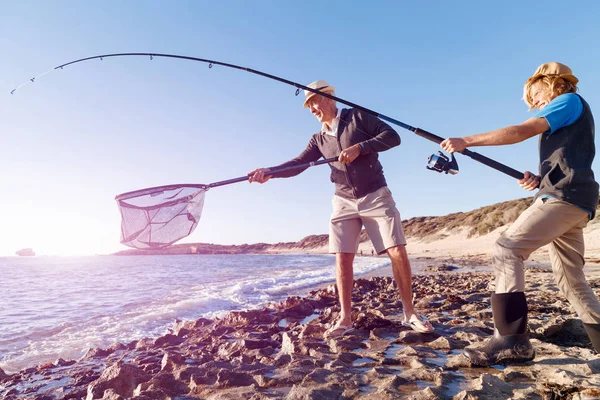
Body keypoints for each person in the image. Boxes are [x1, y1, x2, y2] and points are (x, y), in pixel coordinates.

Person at [441, 62, 600, 366]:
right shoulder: (571, 112)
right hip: (576, 198)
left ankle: (512, 340)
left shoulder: (568, 100)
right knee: (571, 281)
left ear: (553, 83)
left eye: (535, 94)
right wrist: (541, 180)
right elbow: (568, 162)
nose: (534, 103)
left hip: (564, 198)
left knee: (506, 248)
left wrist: (467, 141)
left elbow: (523, 131)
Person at [248, 80, 433, 338]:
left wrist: (361, 147)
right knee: (342, 256)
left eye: (315, 101)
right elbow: (300, 163)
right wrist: (271, 172)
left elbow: (393, 137)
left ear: (330, 98)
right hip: (343, 200)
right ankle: (345, 318)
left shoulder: (358, 118)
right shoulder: (319, 139)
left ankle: (410, 313)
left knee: (397, 250)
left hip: (376, 194)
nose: (312, 108)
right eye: (308, 105)